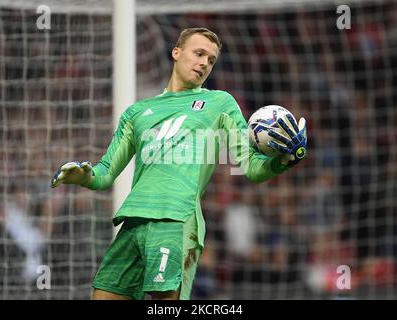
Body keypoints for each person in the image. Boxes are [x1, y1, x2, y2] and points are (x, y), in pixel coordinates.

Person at [50, 27, 307, 300]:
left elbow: (252, 167)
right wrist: (83, 176)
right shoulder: (136, 113)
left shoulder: (219, 103)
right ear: (176, 52)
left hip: (175, 220)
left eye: (211, 60)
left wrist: (283, 161)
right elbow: (104, 173)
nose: (204, 63)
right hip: (134, 221)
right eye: (199, 54)